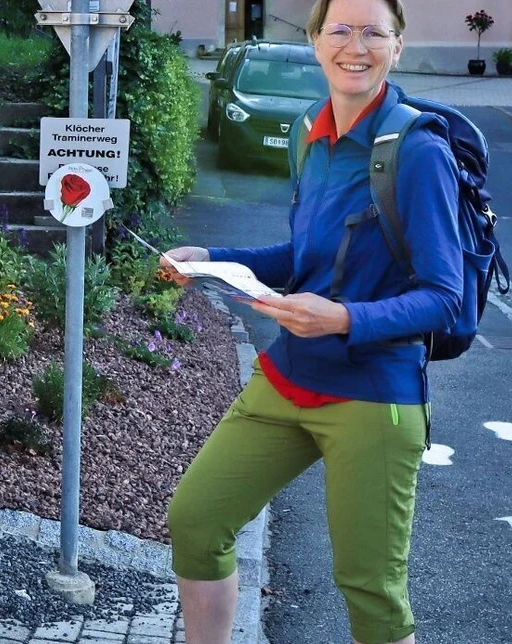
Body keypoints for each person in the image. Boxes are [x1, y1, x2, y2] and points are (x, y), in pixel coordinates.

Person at [159, 1, 466, 642]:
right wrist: (213, 258)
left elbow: (445, 297)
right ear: (315, 39)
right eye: (341, 29)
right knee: (197, 520)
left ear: (398, 47)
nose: (356, 45)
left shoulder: (418, 151)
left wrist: (344, 319)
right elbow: (304, 256)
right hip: (288, 378)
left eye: (373, 32)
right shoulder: (310, 132)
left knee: (371, 592)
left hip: (373, 395)